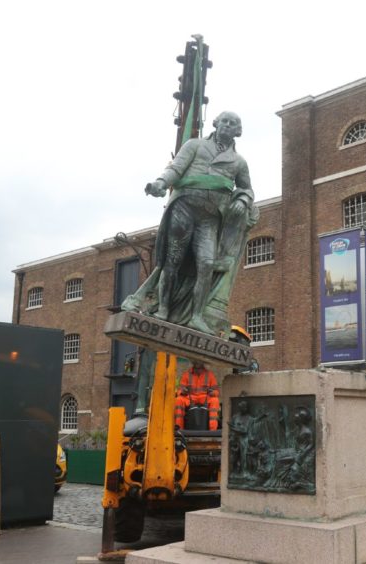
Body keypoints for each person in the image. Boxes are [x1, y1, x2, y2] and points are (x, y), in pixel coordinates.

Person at [122, 111, 258, 336]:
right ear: (216, 123)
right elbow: (176, 169)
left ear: (238, 132)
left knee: (205, 264)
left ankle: (196, 316)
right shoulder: (195, 145)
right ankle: (163, 310)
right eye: (224, 120)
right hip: (184, 208)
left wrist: (243, 200)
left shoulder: (239, 162)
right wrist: (161, 184)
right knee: (172, 260)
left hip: (211, 218)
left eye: (233, 123)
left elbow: (246, 188)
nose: (227, 125)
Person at [174, 361, 220, 431]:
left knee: (215, 400)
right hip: (190, 398)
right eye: (195, 360)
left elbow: (217, 392)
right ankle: (179, 429)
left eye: (199, 360)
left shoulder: (210, 375)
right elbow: (179, 391)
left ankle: (213, 430)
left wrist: (212, 392)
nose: (197, 362)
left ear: (203, 362)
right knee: (178, 400)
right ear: (193, 362)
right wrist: (183, 392)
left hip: (205, 398)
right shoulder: (186, 374)